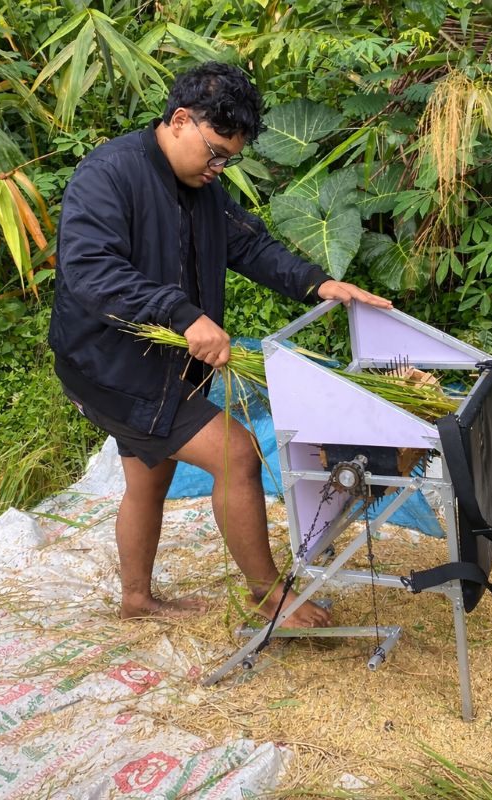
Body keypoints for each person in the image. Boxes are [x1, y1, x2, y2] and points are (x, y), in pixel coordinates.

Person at [48, 61, 391, 629]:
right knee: (237, 453)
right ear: (180, 120)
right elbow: (89, 271)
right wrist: (182, 314)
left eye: (229, 159)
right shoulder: (109, 174)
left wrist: (318, 283)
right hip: (110, 365)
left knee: (149, 477)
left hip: (166, 362)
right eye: (214, 153)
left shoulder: (202, 187)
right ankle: (268, 597)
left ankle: (136, 601)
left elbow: (250, 247)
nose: (219, 168)